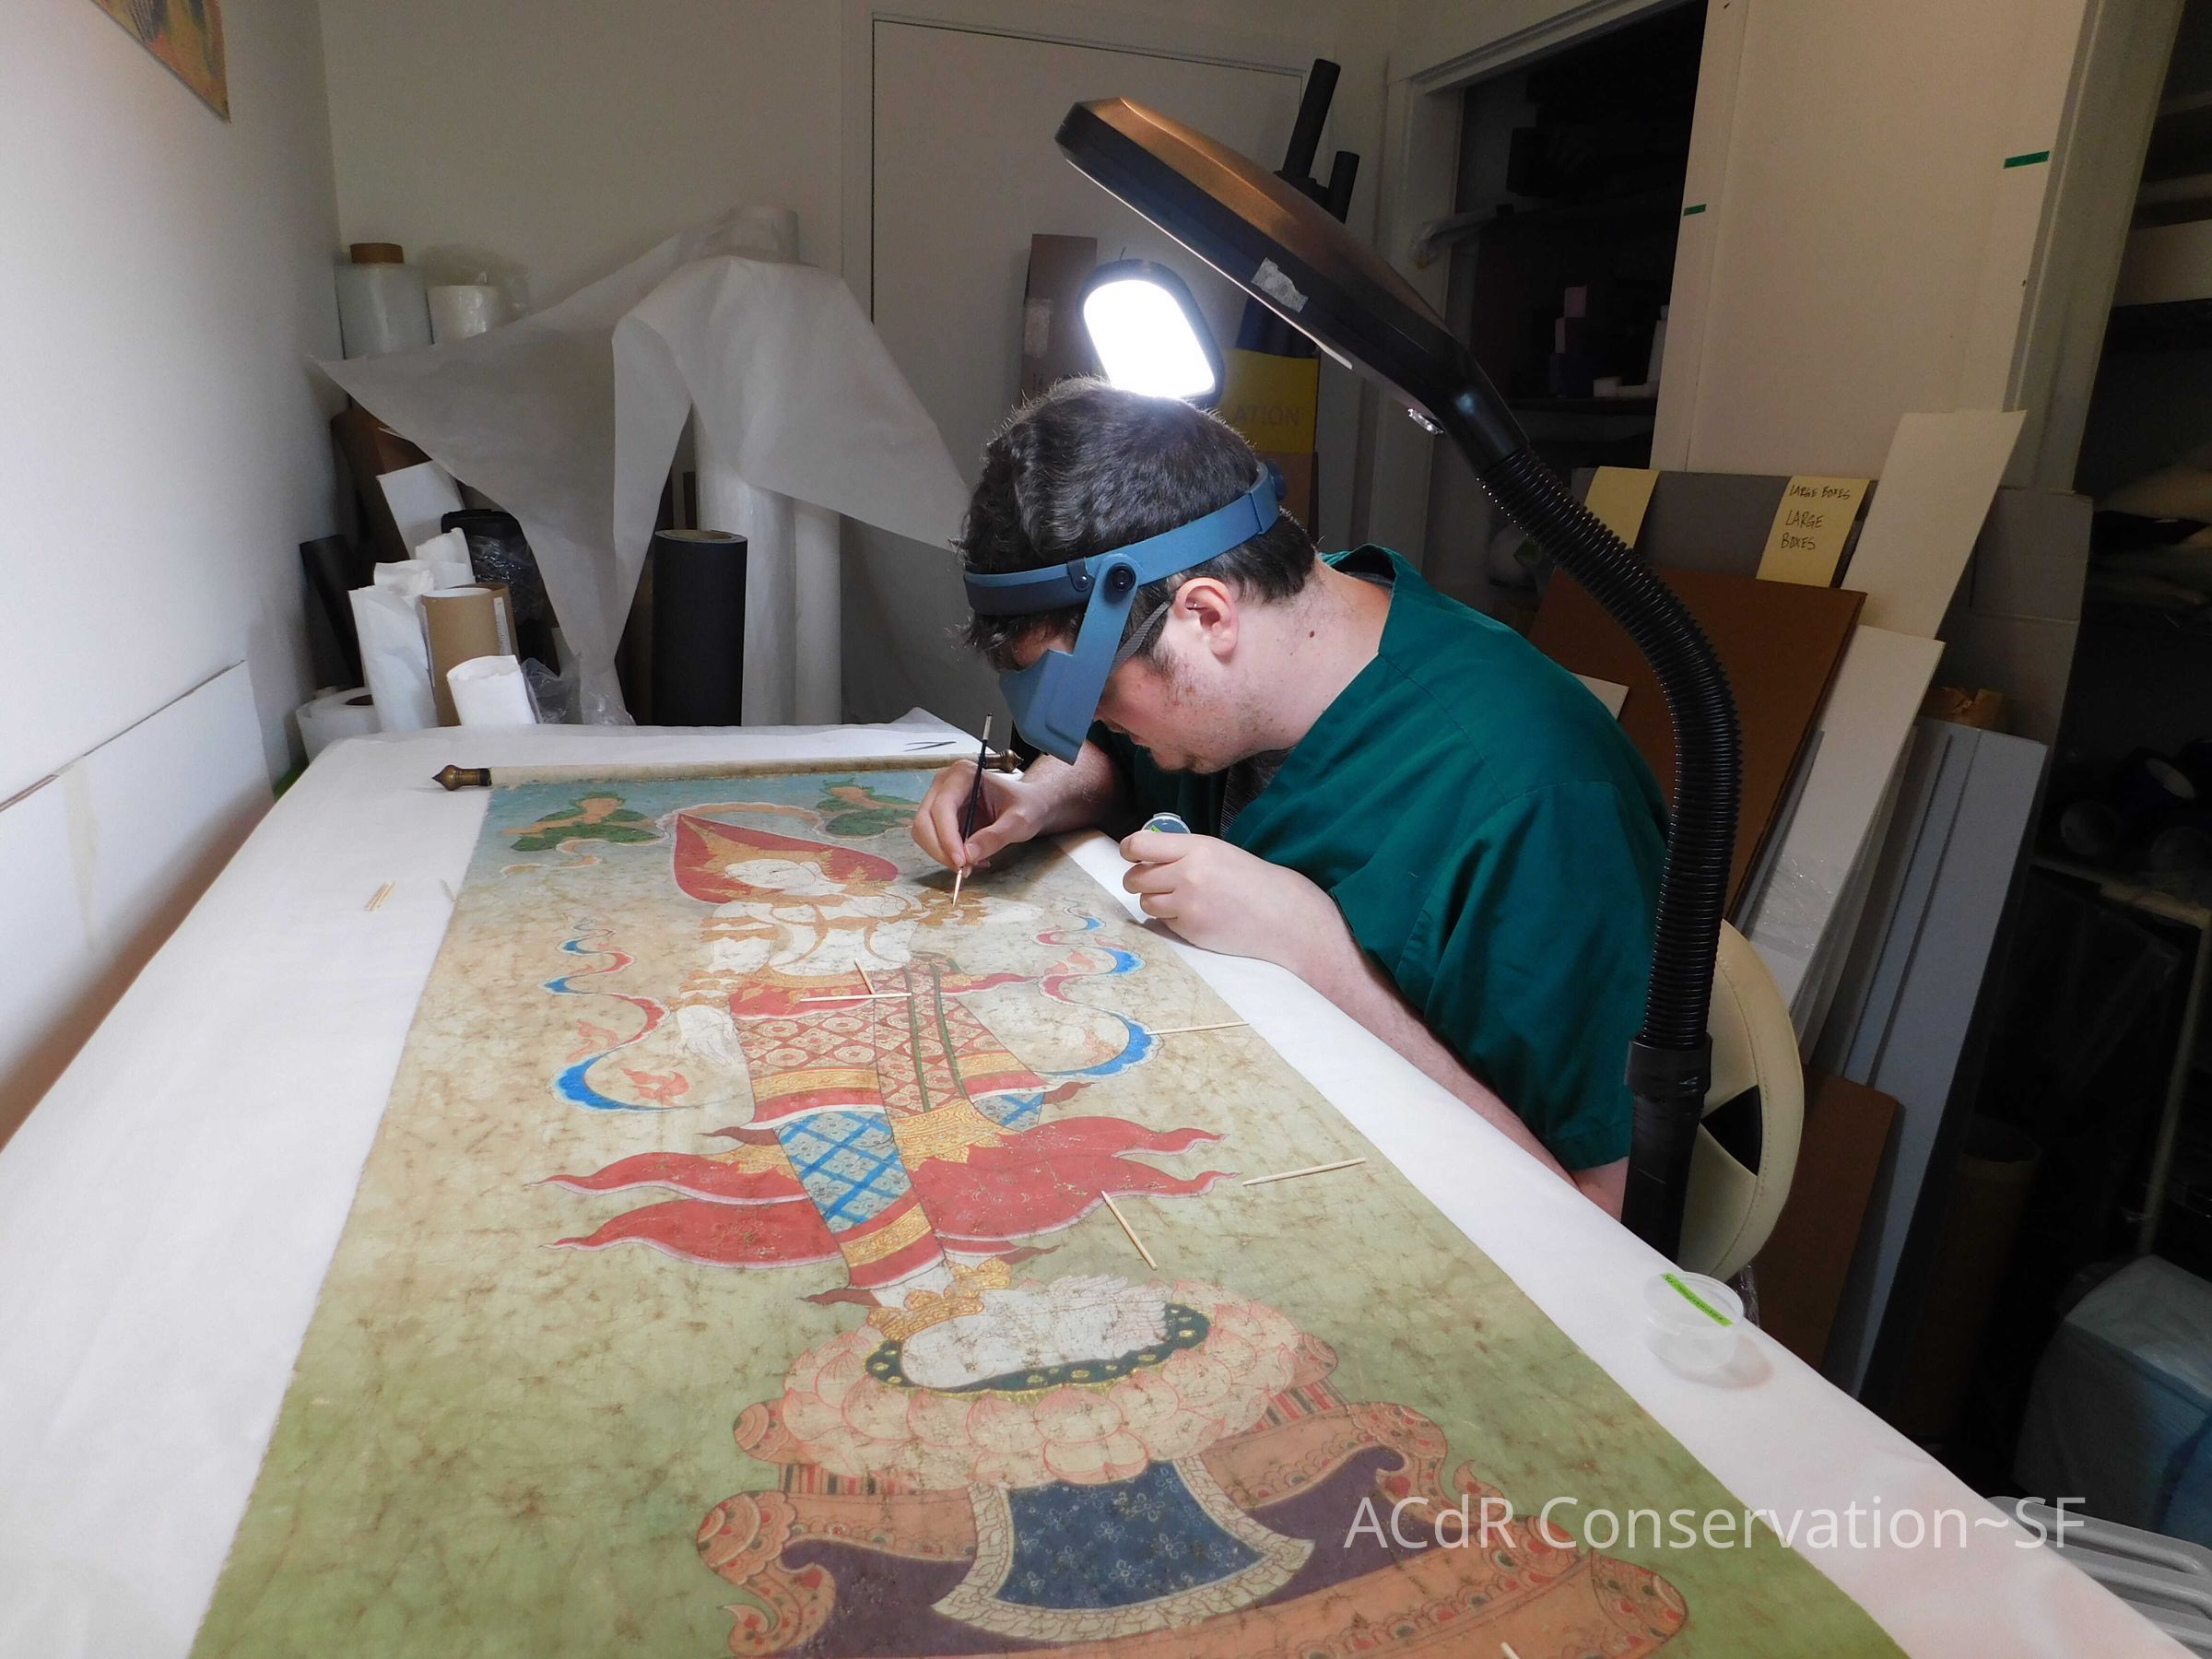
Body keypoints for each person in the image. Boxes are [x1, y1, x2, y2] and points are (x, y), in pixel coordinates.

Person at [912, 379, 1665, 1215]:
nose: (1090, 727)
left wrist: (1315, 953)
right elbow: (1122, 761)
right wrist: (1039, 792)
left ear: (1207, 615)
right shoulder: (1277, 644)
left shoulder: (1538, 804)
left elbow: (1605, 1220)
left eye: (1097, 699)